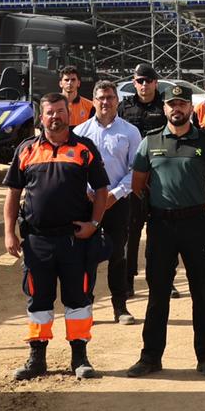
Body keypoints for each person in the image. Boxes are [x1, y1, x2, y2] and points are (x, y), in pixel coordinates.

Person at [3, 93, 112, 381]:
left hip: (74, 240)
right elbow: (13, 194)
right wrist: (8, 233)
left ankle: (80, 358)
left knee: (78, 300)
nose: (55, 117)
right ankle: (37, 359)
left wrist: (94, 223)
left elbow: (102, 191)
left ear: (69, 114)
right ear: (42, 117)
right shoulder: (26, 151)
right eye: (50, 112)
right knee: (38, 299)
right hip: (37, 242)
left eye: (60, 112)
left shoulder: (84, 149)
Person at [125, 85, 205, 378]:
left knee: (202, 292)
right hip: (160, 225)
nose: (177, 109)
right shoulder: (150, 142)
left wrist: (202, 205)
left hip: (196, 224)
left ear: (190, 108)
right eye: (172, 104)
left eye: (182, 103)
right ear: (165, 108)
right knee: (158, 293)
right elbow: (138, 184)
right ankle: (150, 357)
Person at [73, 80, 142, 325]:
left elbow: (137, 170)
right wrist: (88, 192)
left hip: (118, 202)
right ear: (94, 100)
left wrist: (115, 194)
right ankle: (86, 305)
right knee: (85, 255)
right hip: (87, 203)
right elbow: (74, 169)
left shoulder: (130, 132)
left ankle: (120, 307)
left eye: (110, 97)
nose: (105, 102)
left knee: (118, 254)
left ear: (117, 101)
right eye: (101, 97)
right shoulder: (80, 132)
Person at [117, 64, 169, 297]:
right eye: (140, 81)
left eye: (149, 80)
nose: (144, 85)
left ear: (156, 83)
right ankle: (127, 280)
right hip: (134, 177)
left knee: (162, 232)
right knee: (132, 230)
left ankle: (163, 278)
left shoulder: (166, 105)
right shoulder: (124, 106)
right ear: (134, 82)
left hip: (162, 176)